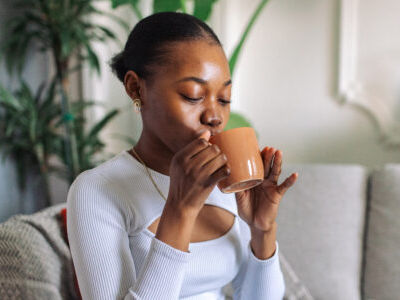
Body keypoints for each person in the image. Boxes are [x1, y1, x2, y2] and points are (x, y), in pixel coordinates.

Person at [67, 11, 298, 300]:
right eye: (193, 95)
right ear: (136, 88)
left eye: (224, 99)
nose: (215, 116)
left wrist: (262, 231)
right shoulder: (97, 191)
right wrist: (180, 210)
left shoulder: (227, 183)